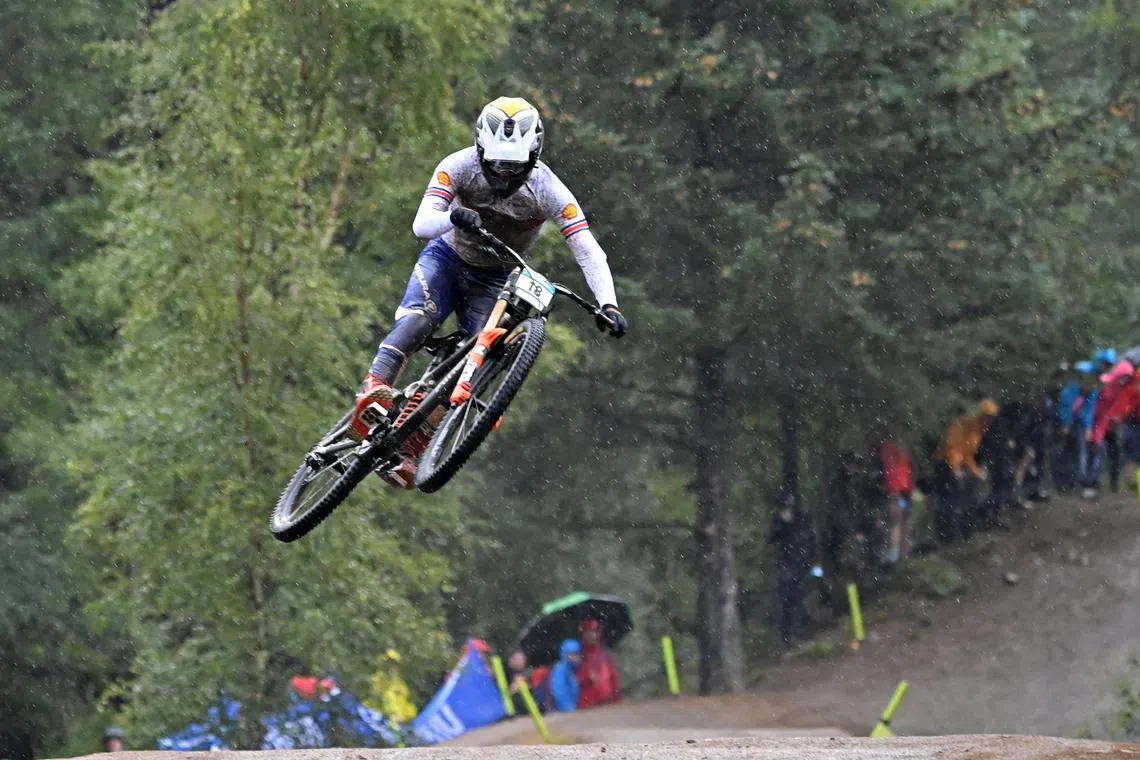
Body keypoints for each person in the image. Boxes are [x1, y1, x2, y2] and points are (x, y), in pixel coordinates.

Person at [346, 97, 628, 488]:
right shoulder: (457, 166)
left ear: (533, 156)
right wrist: (451, 216)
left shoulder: (549, 190)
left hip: (497, 276)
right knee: (421, 319)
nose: (502, 173)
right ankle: (374, 388)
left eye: (514, 166)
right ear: (480, 149)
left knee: (480, 356)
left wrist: (608, 304)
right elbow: (421, 224)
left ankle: (410, 446)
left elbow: (585, 248)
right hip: (446, 257)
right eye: (494, 162)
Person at [934, 399, 999, 544]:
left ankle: (965, 534)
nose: (989, 421)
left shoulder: (979, 431)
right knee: (949, 500)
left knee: (969, 498)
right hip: (946, 465)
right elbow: (953, 448)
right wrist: (955, 469)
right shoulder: (963, 424)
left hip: (961, 466)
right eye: (987, 417)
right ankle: (947, 537)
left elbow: (968, 455)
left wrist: (977, 472)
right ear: (981, 415)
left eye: (991, 418)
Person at [768, 492, 818, 648]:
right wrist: (782, 523)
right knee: (787, 603)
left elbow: (810, 540)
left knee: (799, 601)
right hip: (786, 567)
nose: (787, 510)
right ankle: (788, 637)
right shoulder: (778, 522)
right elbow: (772, 539)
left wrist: (813, 562)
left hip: (801, 566)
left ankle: (798, 634)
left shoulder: (802, 520)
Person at [879, 437, 914, 564]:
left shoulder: (890, 449)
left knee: (900, 524)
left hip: (901, 493)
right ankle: (897, 557)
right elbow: (893, 473)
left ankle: (897, 557)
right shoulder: (892, 449)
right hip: (900, 493)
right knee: (899, 524)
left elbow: (898, 473)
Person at [577, 617, 621, 708]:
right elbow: (573, 681)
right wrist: (587, 677)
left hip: (608, 703)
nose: (592, 635)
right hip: (588, 706)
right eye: (588, 632)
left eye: (594, 632)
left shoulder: (606, 653)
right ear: (583, 634)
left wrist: (617, 698)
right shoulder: (578, 654)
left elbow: (613, 677)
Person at [549, 639, 582, 712]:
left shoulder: (575, 670)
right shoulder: (560, 669)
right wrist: (570, 708)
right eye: (571, 654)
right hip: (563, 711)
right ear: (565, 654)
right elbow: (558, 692)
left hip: (575, 709)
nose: (574, 656)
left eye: (576, 653)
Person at [504, 648, 531, 716]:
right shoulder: (504, 672)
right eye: (518, 659)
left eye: (523, 659)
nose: (521, 661)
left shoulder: (524, 673)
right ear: (510, 660)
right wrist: (512, 690)